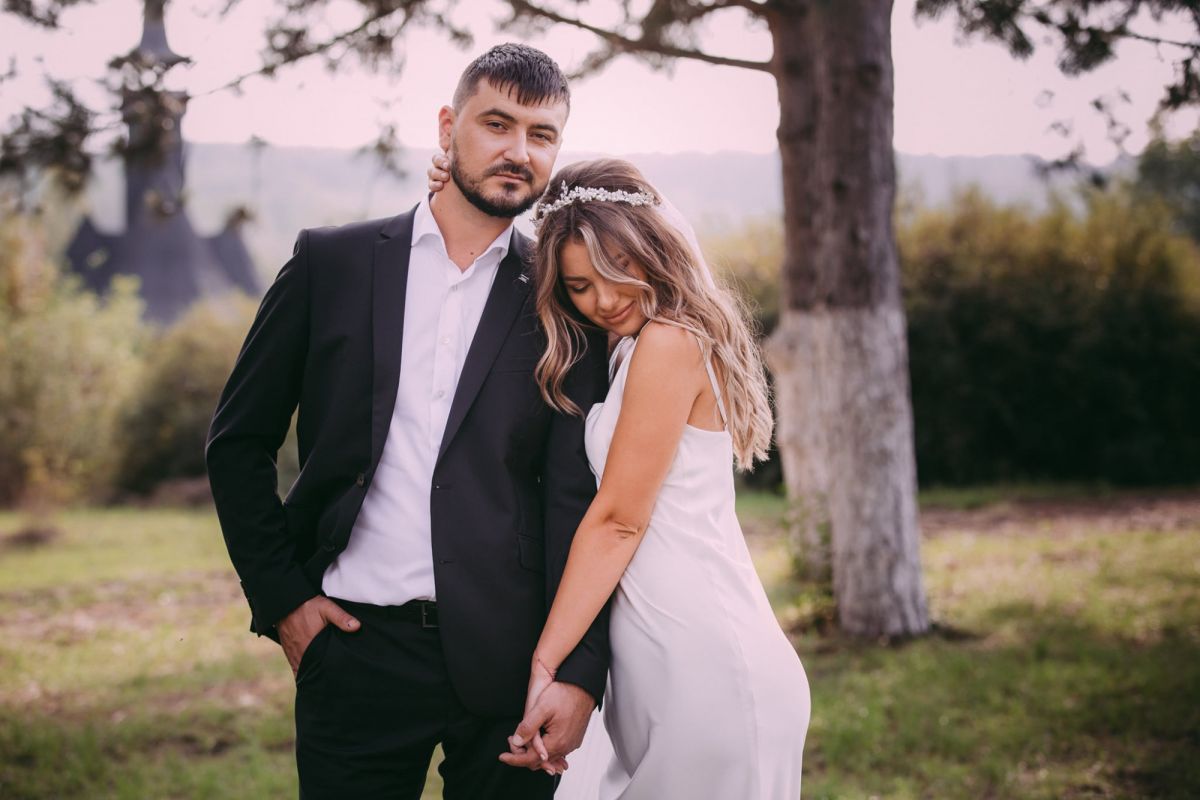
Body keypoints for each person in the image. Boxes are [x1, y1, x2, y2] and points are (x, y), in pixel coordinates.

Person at [205, 44, 610, 799]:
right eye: (497, 124)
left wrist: (581, 672)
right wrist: (284, 600)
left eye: (542, 134)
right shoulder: (332, 264)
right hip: (354, 650)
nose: (519, 151)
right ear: (448, 127)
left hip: (516, 663)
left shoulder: (564, 297)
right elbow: (238, 443)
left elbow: (577, 499)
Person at [429, 155, 813, 798]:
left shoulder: (669, 341)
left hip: (704, 657)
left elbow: (618, 521)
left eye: (619, 271)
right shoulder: (626, 344)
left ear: (656, 251)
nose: (604, 300)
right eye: (579, 286)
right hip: (654, 658)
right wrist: (454, 195)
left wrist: (546, 660)